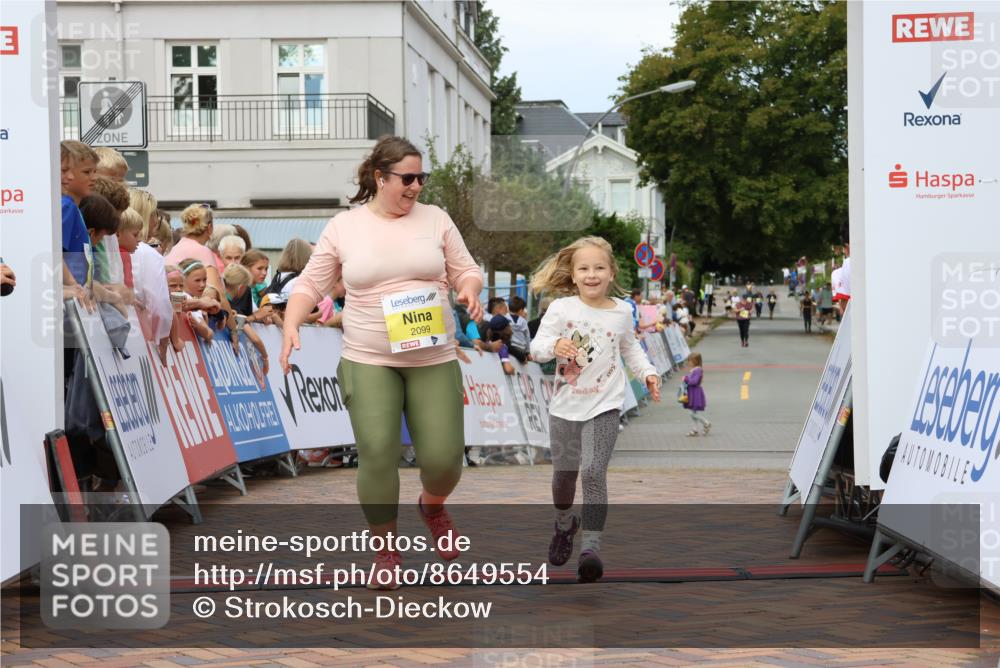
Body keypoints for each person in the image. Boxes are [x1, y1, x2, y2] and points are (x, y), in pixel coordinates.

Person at [279, 135, 483, 590]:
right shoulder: (345, 226)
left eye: (421, 178)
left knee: (445, 459)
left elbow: (466, 268)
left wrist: (469, 287)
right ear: (379, 177)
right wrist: (292, 325)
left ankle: (432, 505)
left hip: (432, 356)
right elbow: (310, 284)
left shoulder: (436, 220)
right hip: (369, 357)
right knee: (376, 451)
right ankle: (386, 549)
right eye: (407, 178)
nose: (416, 187)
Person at [529, 236, 660, 583]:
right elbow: (536, 348)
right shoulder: (561, 309)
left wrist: (647, 372)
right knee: (564, 478)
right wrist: (554, 344)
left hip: (605, 405)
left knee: (592, 473)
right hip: (565, 407)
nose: (591, 274)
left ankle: (591, 548)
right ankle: (564, 523)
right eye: (583, 268)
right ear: (572, 275)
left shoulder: (621, 311)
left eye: (599, 268)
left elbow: (630, 347)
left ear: (611, 272)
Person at [681, 352, 711, 437]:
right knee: (693, 412)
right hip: (692, 392)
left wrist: (686, 378)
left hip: (695, 392)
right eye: (689, 360)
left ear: (696, 361)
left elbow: (694, 381)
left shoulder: (698, 370)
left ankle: (706, 423)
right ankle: (695, 429)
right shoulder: (695, 370)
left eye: (690, 361)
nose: (689, 362)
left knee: (692, 413)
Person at [507, 295, 531, 363]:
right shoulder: (523, 322)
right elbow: (527, 337)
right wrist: (527, 352)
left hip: (510, 348)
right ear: (521, 310)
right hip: (521, 349)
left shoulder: (505, 318)